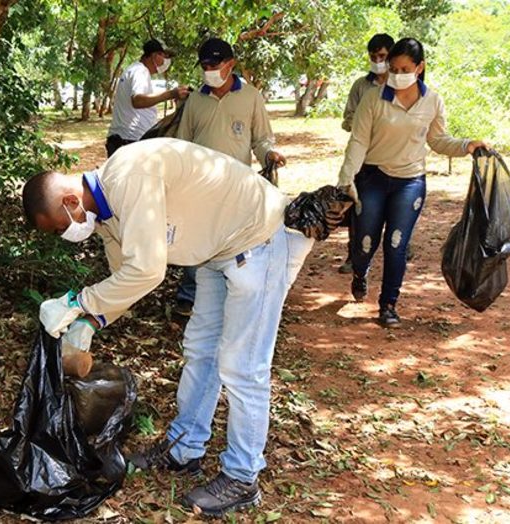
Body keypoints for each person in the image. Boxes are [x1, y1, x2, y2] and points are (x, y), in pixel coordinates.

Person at [24, 138, 314, 516]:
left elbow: (146, 269)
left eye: (61, 227)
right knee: (200, 351)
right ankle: (185, 448)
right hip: (215, 251)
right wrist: (91, 322)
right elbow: (127, 280)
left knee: (242, 366)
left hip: (258, 236)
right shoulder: (106, 219)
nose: (67, 234)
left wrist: (77, 302)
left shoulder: (130, 175)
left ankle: (243, 477)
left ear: (69, 201)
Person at [337, 38, 487, 327]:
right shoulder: (373, 98)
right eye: (392, 68)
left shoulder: (433, 101)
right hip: (373, 177)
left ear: (420, 68)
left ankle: (388, 305)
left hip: (410, 182)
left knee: (397, 244)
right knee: (364, 242)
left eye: (404, 68)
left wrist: (467, 145)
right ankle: (360, 271)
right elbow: (358, 142)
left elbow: (438, 140)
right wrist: (346, 181)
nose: (396, 74)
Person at [172, 37, 286, 316]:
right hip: (199, 183)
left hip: (237, 183)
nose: (208, 69)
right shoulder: (196, 100)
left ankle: (231, 292)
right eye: (205, 65)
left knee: (232, 239)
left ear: (230, 64)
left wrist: (269, 154)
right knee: (196, 236)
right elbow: (183, 143)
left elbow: (261, 139)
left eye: (214, 64)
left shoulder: (250, 97)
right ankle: (188, 295)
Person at [337, 33, 395, 275]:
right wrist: (362, 124)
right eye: (373, 57)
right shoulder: (361, 86)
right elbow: (348, 118)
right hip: (362, 159)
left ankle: (399, 245)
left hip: (392, 157)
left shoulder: (402, 86)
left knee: (394, 204)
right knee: (357, 207)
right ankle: (354, 256)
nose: (377, 61)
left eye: (382, 56)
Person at [106, 39, 190, 157]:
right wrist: (171, 94)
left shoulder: (134, 69)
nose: (167, 61)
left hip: (125, 139)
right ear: (154, 55)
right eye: (164, 56)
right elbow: (138, 100)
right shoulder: (141, 71)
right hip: (130, 141)